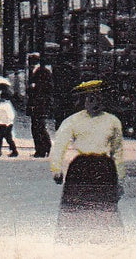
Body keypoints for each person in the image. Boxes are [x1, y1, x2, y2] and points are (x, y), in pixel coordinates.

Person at [51, 80, 126, 240]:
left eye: (98, 99)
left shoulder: (113, 121)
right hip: (81, 169)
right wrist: (56, 169)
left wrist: (120, 179)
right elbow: (59, 146)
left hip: (104, 169)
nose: (94, 103)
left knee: (104, 209)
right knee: (76, 209)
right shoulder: (72, 121)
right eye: (90, 99)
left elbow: (117, 151)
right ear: (84, 100)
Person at [27, 53, 55, 157]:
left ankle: (42, 149)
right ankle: (43, 148)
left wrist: (34, 87)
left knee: (39, 127)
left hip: (41, 103)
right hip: (35, 103)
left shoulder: (43, 72)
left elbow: (48, 88)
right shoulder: (34, 71)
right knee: (37, 127)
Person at [0, 87, 19, 157]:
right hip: (3, 123)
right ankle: (0, 150)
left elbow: (7, 114)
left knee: (7, 138)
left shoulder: (5, 105)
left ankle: (13, 150)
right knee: (1, 138)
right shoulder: (6, 104)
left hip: (6, 123)